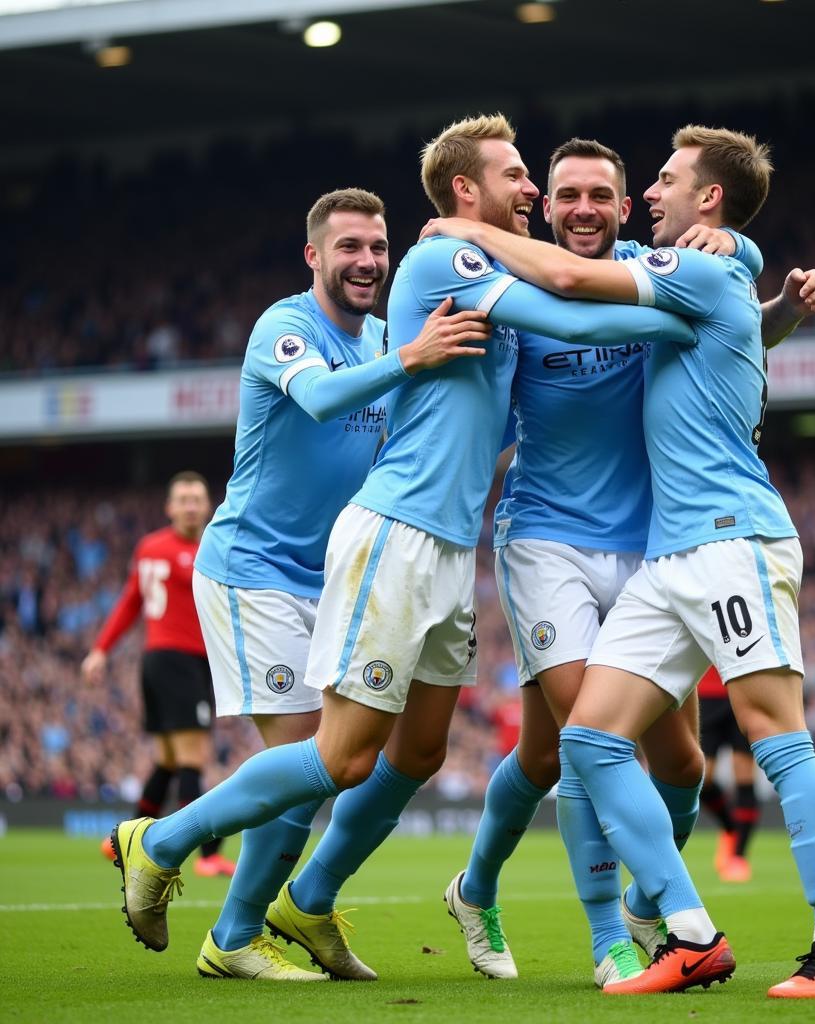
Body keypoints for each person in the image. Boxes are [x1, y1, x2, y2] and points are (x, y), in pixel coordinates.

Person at [110, 113, 699, 974]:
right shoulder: (443, 260)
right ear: (466, 191)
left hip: (450, 548)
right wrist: (702, 313)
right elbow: (575, 314)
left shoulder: (478, 286)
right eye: (517, 175)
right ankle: (162, 841)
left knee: (418, 752)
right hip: (392, 539)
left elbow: (490, 416)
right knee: (339, 755)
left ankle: (304, 908)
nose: (534, 189)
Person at [424, 123, 815, 998]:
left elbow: (578, 280)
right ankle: (658, 932)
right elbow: (731, 323)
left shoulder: (688, 266)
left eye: (660, 182)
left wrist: (467, 227)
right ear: (545, 206)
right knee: (585, 739)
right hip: (613, 544)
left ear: (685, 202)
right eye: (567, 195)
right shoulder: (688, 270)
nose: (651, 195)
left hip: (727, 536)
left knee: (752, 743)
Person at [125, 187, 492, 982]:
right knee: (311, 759)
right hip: (253, 571)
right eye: (350, 247)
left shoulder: (391, 337)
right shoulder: (285, 327)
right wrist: (412, 357)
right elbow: (322, 401)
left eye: (377, 248)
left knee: (358, 761)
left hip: (333, 575)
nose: (366, 262)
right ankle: (188, 882)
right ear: (314, 256)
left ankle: (271, 912)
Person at [83, 471, 233, 878]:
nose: (189, 506)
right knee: (194, 759)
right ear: (170, 507)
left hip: (167, 662)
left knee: (168, 761)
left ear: (208, 505)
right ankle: (204, 855)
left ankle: (120, 843)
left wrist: (100, 651)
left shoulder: (156, 545)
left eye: (196, 499)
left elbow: (132, 599)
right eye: (182, 499)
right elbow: (131, 601)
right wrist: (100, 648)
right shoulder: (198, 548)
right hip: (177, 661)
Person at [697, 665, 760, 883]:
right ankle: (731, 828)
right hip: (705, 692)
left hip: (741, 687)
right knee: (701, 778)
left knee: (744, 772)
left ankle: (738, 856)